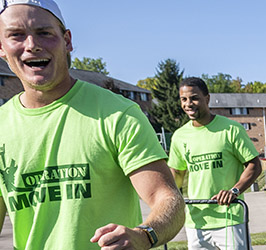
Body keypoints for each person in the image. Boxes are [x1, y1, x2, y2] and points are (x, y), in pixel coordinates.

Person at [0, 1, 184, 249]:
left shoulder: (118, 114)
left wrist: (143, 235)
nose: (32, 45)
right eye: (16, 35)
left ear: (67, 41)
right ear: (1, 46)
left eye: (44, 33)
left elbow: (168, 200)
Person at [168, 77, 263, 249]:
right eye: (184, 99)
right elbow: (177, 174)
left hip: (229, 218)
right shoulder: (180, 136)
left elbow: (254, 165)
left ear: (207, 98)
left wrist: (234, 191)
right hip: (197, 221)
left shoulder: (231, 129)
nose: (188, 104)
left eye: (194, 98)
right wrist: (167, 197)